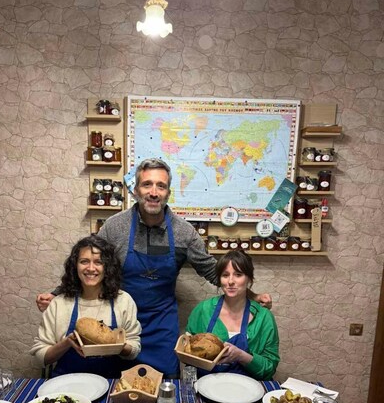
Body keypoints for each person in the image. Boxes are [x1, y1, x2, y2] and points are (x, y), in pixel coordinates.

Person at [36, 158, 271, 378]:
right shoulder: (115, 226)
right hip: (121, 320)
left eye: (161, 186)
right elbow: (91, 264)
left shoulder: (183, 231)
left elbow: (211, 270)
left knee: (165, 381)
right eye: (147, 184)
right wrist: (57, 294)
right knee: (119, 381)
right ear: (136, 190)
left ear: (168, 192)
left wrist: (252, 295)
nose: (154, 192)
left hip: (161, 325)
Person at [31, 235, 141, 377]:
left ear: (107, 267)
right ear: (75, 265)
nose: (90, 268)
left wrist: (116, 347)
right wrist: (67, 343)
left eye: (98, 262)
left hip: (111, 382)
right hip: (66, 382)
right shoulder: (59, 304)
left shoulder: (123, 301)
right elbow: (41, 357)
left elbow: (134, 350)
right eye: (84, 261)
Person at [186, 250, 279, 380]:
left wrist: (241, 356)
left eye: (238, 275)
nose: (230, 281)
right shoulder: (203, 310)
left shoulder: (264, 317)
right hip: (207, 385)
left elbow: (269, 369)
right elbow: (188, 356)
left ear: (249, 278)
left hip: (249, 388)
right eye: (225, 275)